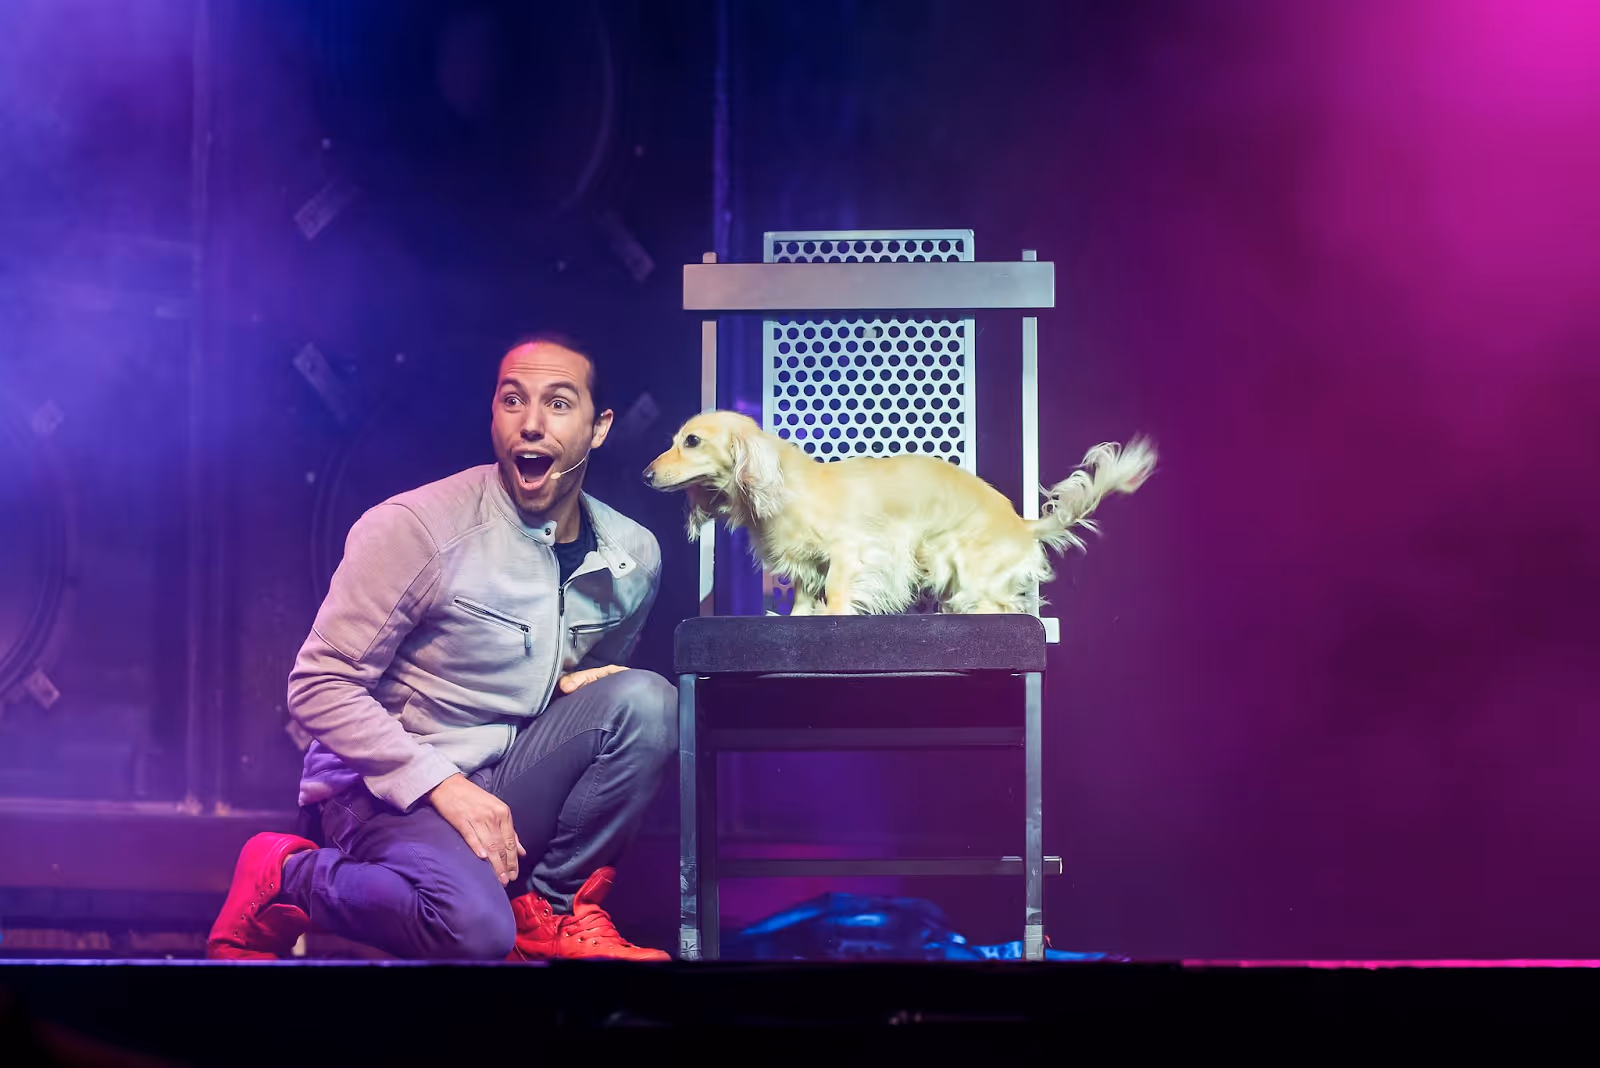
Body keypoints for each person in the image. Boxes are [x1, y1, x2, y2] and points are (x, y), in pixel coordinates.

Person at [207, 334, 676, 961]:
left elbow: (589, 679)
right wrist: (443, 787)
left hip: (505, 775)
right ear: (494, 414)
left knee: (646, 701)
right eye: (514, 401)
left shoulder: (632, 555)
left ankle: (554, 907)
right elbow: (317, 685)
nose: (532, 425)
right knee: (477, 933)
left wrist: (559, 683)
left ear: (599, 427)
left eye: (559, 404)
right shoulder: (420, 527)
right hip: (381, 793)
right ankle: (286, 877)